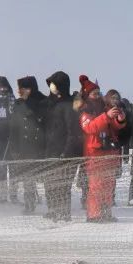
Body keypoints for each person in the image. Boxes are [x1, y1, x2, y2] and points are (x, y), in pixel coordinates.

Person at [78, 78, 129, 223]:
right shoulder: (85, 112)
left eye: (98, 93)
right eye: (94, 93)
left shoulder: (104, 108)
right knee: (96, 186)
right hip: (94, 154)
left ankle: (106, 213)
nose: (97, 95)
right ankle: (94, 214)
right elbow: (90, 127)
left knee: (108, 185)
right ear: (87, 95)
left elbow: (116, 126)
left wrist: (119, 119)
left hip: (109, 153)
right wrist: (106, 116)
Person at [44, 71, 82, 222]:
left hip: (65, 154)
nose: (51, 87)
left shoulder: (69, 105)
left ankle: (64, 213)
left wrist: (66, 153)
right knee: (50, 185)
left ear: (61, 86)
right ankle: (53, 210)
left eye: (54, 84)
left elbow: (72, 132)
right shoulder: (51, 103)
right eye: (50, 84)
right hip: (50, 152)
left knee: (62, 186)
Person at [9, 76, 49, 214]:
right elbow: (13, 127)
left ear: (30, 88)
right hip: (24, 146)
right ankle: (29, 204)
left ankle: (52, 205)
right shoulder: (18, 104)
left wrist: (29, 101)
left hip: (40, 145)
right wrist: (14, 147)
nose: (19, 91)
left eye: (22, 88)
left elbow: (44, 121)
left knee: (45, 178)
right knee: (27, 178)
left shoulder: (42, 101)